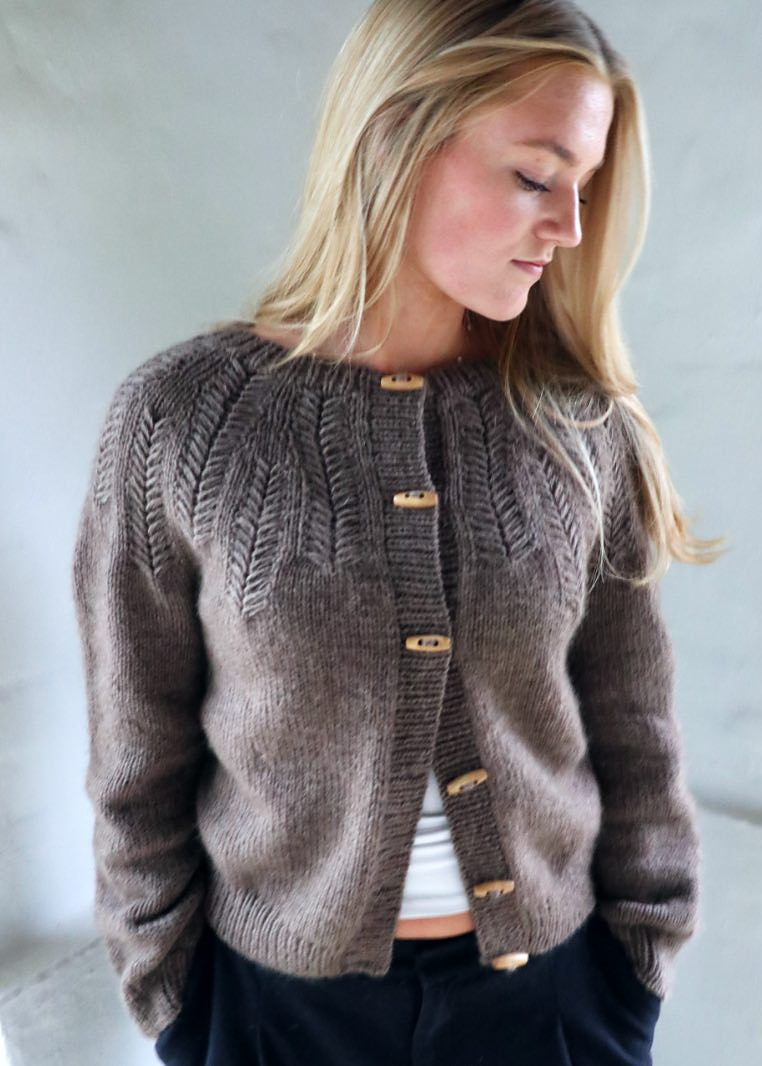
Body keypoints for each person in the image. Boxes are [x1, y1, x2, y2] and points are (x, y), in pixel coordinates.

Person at [71, 2, 726, 1064]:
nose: (568, 227)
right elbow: (136, 758)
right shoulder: (181, 423)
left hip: (552, 1006)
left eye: (584, 187)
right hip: (274, 1012)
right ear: (397, 137)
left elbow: (633, 727)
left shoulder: (576, 427)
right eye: (536, 176)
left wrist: (637, 969)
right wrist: (177, 1003)